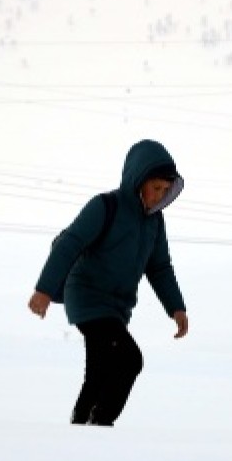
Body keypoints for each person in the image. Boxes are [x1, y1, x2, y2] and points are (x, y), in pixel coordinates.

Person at [28, 139, 189, 426]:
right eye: (155, 188)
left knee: (100, 372)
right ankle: (99, 426)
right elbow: (70, 244)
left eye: (165, 191)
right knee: (129, 360)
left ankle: (80, 430)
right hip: (87, 297)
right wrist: (44, 289)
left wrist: (176, 308)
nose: (158, 197)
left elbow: (160, 267)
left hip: (116, 308)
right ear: (139, 180)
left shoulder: (155, 221)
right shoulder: (105, 206)